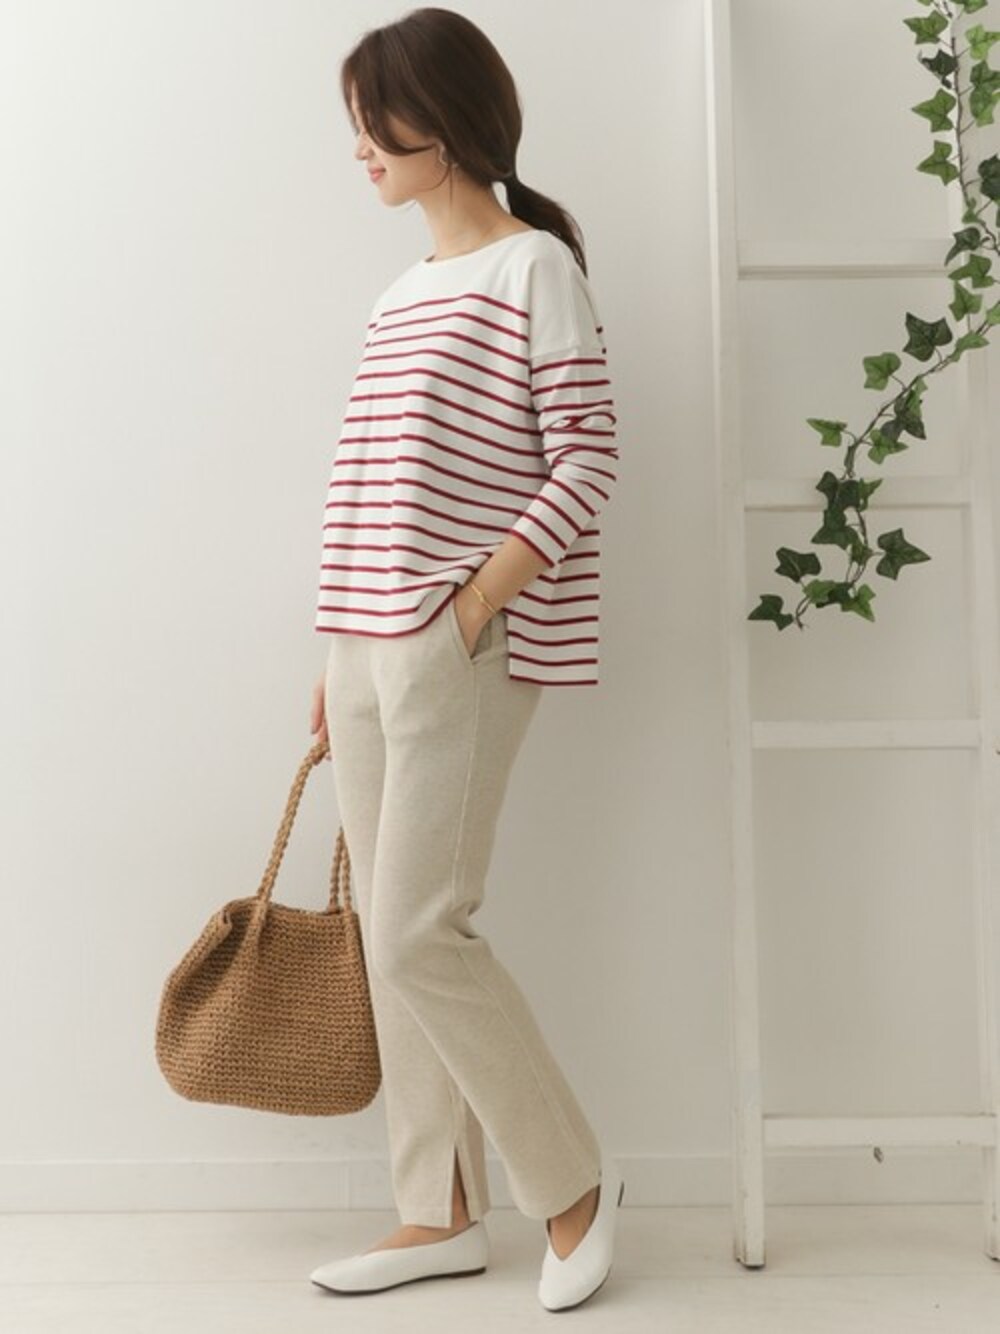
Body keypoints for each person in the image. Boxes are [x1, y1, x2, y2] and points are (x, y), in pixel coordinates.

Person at [306, 6, 623, 1312]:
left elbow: (587, 460)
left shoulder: (534, 268)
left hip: (457, 640)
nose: (359, 149)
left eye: (373, 123)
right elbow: (371, 491)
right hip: (361, 644)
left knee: (421, 930)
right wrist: (334, 647)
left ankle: (574, 1187)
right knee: (392, 938)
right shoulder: (399, 295)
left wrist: (474, 605)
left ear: (442, 119)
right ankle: (434, 1210)